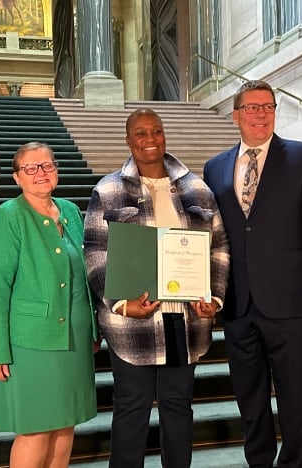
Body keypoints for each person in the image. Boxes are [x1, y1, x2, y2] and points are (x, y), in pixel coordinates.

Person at [203, 80, 302, 468]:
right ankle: (259, 461)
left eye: (267, 107)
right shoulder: (215, 167)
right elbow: (213, 236)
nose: (260, 114)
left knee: (293, 394)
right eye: (251, 107)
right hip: (238, 302)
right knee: (249, 394)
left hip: (291, 300)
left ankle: (295, 462)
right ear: (235, 115)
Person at [84, 109, 229, 468]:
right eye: (141, 133)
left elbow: (219, 247)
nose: (150, 139)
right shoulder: (108, 190)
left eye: (157, 131)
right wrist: (120, 304)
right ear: (128, 140)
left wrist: (215, 296)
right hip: (132, 322)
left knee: (178, 407)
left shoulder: (198, 188)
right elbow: (95, 253)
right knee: (131, 407)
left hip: (184, 317)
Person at [0, 142, 98, 467]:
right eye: (30, 168)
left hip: (74, 341)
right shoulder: (9, 217)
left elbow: (84, 275)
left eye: (47, 166)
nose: (40, 173)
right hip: (30, 343)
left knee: (64, 427)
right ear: (17, 177)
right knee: (35, 431)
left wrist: (93, 328)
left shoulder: (71, 211)